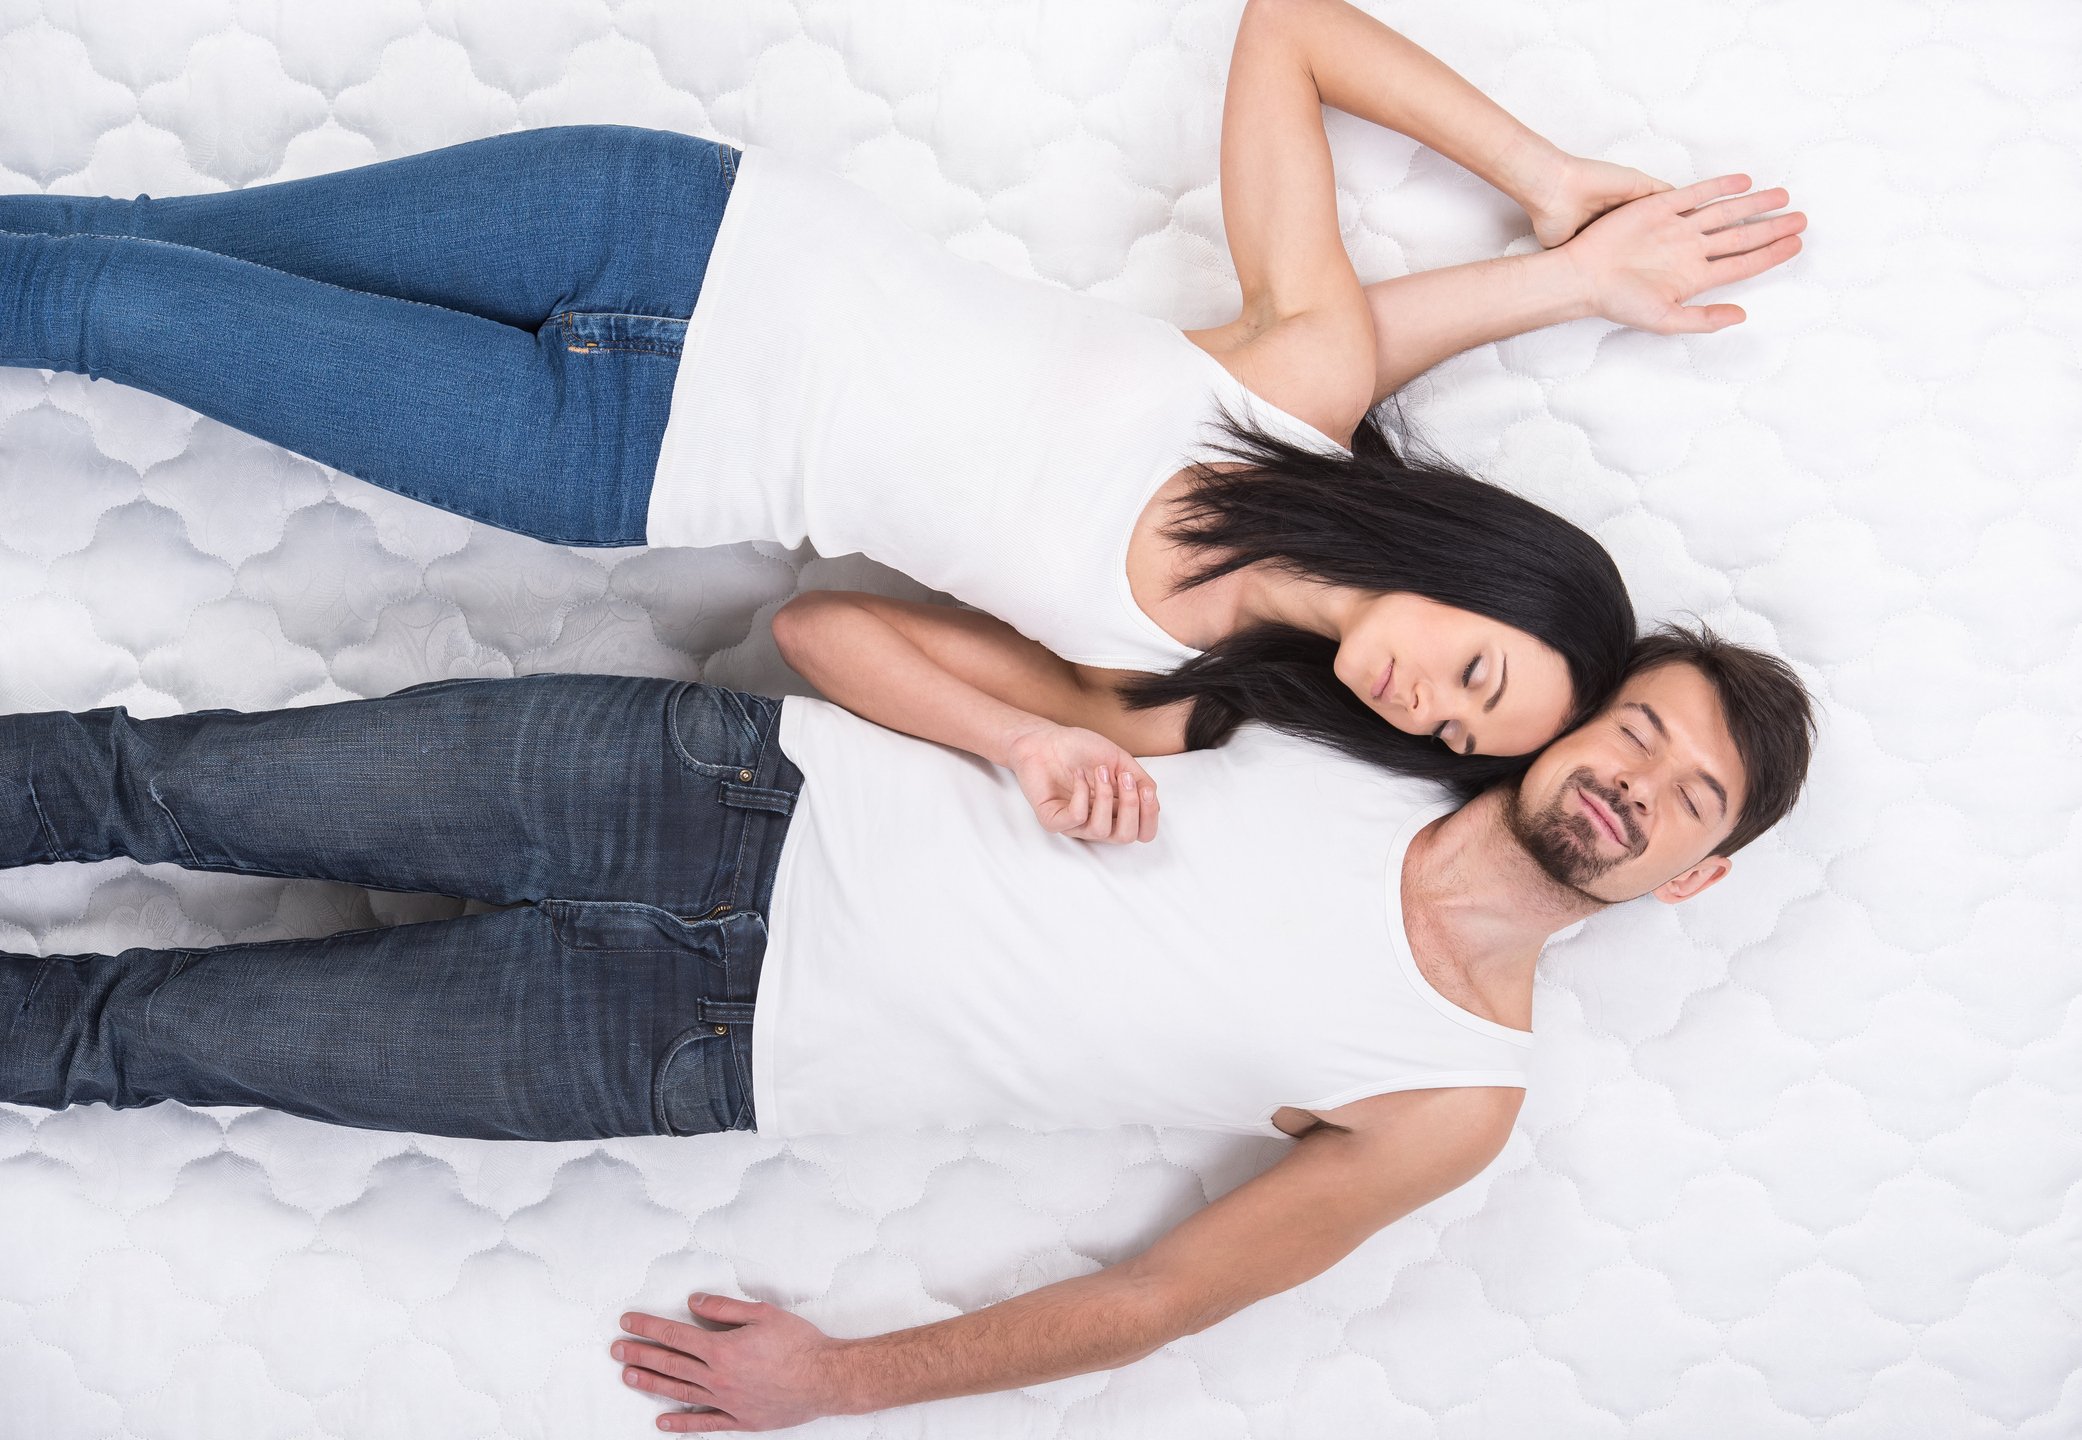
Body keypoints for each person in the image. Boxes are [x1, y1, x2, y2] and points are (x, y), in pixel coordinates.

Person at [0, 0, 1805, 835]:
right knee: (146, 244)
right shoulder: (1298, 388)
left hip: (612, 456)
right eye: (1477, 672)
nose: (1429, 708)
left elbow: (816, 631)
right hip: (673, 224)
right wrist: (1551, 201)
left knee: (121, 307)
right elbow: (1289, 33)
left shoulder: (1167, 696)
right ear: (1484, 576)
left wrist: (1017, 746)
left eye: (1458, 736)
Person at [1, 622, 1815, 1432]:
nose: (1636, 783)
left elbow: (1161, 1300)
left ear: (1696, 878)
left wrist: (842, 1383)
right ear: (1581, 721)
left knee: (128, 1041)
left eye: (1689, 796)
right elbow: (893, 639)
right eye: (1638, 732)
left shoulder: (1457, 1094)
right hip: (712, 786)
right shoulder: (1365, 733)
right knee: (151, 781)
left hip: (680, 1045)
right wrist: (1027, 743)